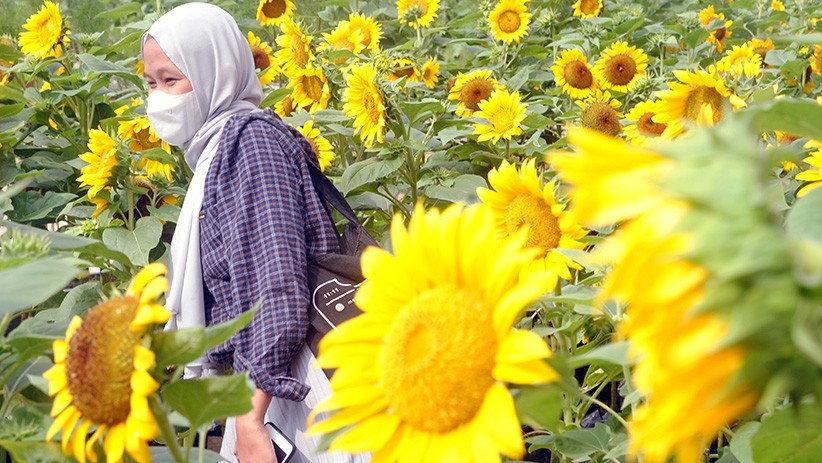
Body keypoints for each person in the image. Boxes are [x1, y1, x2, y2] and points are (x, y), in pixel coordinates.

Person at [141, 4, 368, 462]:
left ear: (214, 72)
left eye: (171, 80)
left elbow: (275, 281)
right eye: (151, 83)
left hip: (294, 385)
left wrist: (250, 418)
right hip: (269, 383)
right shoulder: (217, 149)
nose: (158, 97)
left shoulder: (250, 143)